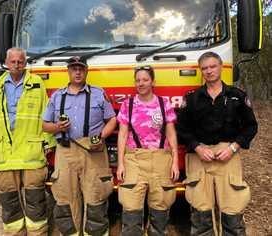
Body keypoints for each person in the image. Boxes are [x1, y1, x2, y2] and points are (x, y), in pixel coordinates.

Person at [176, 51, 258, 236]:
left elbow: (251, 127)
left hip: (227, 156)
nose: (209, 71)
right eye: (204, 68)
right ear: (201, 71)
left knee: (232, 209)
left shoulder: (237, 96)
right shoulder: (191, 99)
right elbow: (181, 129)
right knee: (201, 211)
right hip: (199, 158)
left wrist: (233, 147)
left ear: (221, 67)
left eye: (212, 66)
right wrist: (197, 147)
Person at [0, 47, 55, 235]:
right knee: (9, 202)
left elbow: (46, 115)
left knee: (35, 202)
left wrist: (48, 142)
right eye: (13, 61)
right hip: (4, 153)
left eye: (20, 61)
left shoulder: (36, 83)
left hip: (31, 153)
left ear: (25, 63)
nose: (16, 64)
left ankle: (38, 233)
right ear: (6, 62)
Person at [42, 56, 117, 235]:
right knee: (65, 199)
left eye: (81, 69)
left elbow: (112, 119)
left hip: (93, 152)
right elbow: (44, 125)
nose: (77, 72)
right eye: (74, 68)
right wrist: (57, 127)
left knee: (95, 197)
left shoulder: (99, 94)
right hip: (65, 151)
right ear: (68, 71)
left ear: (86, 71)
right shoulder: (57, 96)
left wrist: (102, 136)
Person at [116, 65, 179, 235]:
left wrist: (175, 163)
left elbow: (171, 135)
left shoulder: (163, 104)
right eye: (138, 80)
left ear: (153, 82)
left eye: (145, 80)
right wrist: (120, 164)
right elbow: (122, 136)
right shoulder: (127, 105)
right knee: (131, 208)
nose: (141, 83)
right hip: (134, 159)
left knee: (160, 208)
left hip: (161, 159)